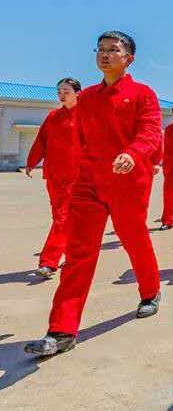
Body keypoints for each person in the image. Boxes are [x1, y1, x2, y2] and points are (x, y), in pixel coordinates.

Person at [25, 32, 163, 356]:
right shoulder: (86, 97)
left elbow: (150, 132)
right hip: (89, 183)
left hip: (128, 180)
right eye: (100, 50)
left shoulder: (143, 94)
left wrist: (133, 154)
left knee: (134, 238)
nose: (105, 55)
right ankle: (61, 330)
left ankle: (151, 291)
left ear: (129, 58)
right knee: (79, 252)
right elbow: (80, 140)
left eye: (113, 50)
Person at [25, 78, 81, 279]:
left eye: (66, 91)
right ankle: (72, 254)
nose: (61, 95)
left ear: (77, 93)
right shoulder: (53, 116)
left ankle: (49, 262)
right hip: (55, 175)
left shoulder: (86, 116)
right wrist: (31, 162)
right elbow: (41, 140)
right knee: (61, 216)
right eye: (59, 91)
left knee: (63, 218)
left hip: (78, 177)